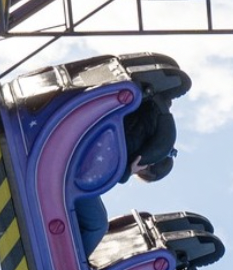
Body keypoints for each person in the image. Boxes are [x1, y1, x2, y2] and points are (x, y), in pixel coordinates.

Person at [76, 92, 179, 257]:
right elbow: (97, 175)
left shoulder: (135, 109)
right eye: (141, 171)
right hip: (75, 169)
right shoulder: (127, 150)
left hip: (79, 139)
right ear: (148, 163)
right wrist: (126, 172)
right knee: (97, 225)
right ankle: (71, 264)